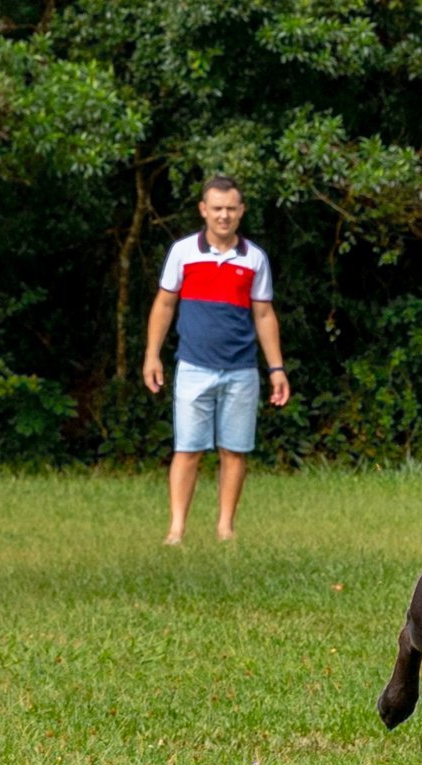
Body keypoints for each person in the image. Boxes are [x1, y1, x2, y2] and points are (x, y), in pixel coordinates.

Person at [142, 175, 291, 544]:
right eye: (217, 208)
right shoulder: (183, 252)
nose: (223, 215)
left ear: (240, 212)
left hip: (241, 369)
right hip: (193, 365)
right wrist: (152, 355)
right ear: (203, 210)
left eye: (230, 208)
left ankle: (225, 528)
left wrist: (277, 369)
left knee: (234, 451)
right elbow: (164, 304)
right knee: (187, 449)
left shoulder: (254, 258)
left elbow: (264, 315)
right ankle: (176, 529)